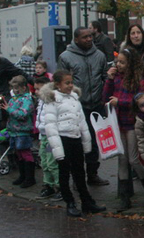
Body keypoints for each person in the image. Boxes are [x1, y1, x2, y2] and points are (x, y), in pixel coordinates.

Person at [41, 70, 106, 217]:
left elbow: (82, 121)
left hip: (75, 138)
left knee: (79, 172)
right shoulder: (52, 100)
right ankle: (69, 202)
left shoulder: (74, 98)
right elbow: (50, 126)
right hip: (62, 140)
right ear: (58, 84)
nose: (70, 85)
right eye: (67, 83)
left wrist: (86, 141)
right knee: (64, 173)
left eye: (71, 82)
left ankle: (86, 201)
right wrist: (57, 149)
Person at [57, 26, 110, 186]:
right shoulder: (66, 57)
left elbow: (105, 77)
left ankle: (93, 174)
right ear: (76, 39)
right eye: (85, 37)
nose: (89, 39)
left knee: (93, 142)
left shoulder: (99, 55)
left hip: (96, 105)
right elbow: (60, 82)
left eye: (90, 36)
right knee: (77, 142)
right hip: (76, 107)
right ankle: (77, 175)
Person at [103, 48, 144, 212]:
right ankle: (125, 199)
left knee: (132, 159)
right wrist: (109, 79)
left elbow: (143, 101)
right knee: (122, 160)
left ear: (131, 63)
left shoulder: (140, 79)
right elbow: (105, 98)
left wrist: (121, 102)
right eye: (118, 62)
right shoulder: (116, 77)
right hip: (118, 124)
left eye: (122, 62)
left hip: (133, 123)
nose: (118, 65)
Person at [1, 75, 36, 189]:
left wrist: (9, 109)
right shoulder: (13, 99)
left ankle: (30, 178)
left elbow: (23, 114)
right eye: (13, 88)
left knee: (25, 153)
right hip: (14, 131)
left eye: (17, 88)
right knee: (19, 154)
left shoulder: (27, 100)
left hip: (23, 131)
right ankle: (22, 176)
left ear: (24, 88)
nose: (15, 91)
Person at [34, 75, 60, 201]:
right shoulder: (40, 102)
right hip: (43, 137)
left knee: (51, 163)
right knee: (44, 162)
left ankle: (59, 187)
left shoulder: (51, 101)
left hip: (51, 138)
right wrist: (40, 137)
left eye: (38, 89)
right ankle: (48, 185)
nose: (35, 92)